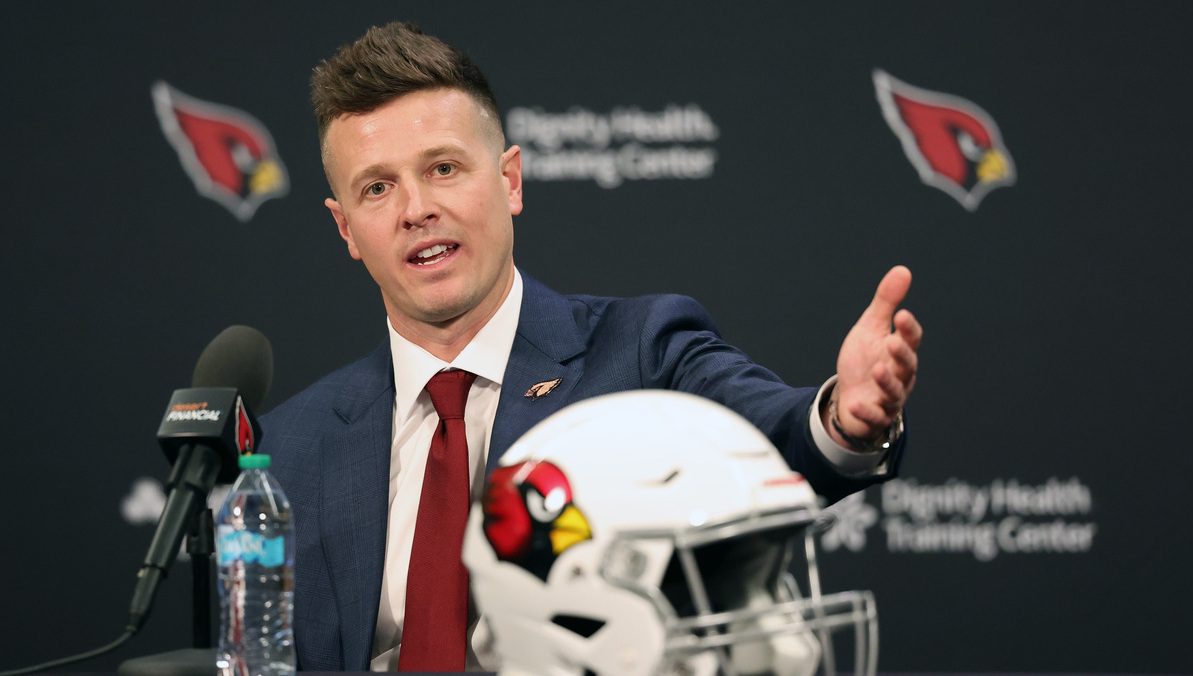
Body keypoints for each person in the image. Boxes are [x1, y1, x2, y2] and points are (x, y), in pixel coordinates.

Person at [260, 21, 922, 673]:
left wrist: (841, 420)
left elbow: (766, 438)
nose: (415, 208)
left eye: (443, 168)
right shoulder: (288, 451)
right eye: (377, 187)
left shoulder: (638, 353)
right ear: (345, 226)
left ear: (510, 180)